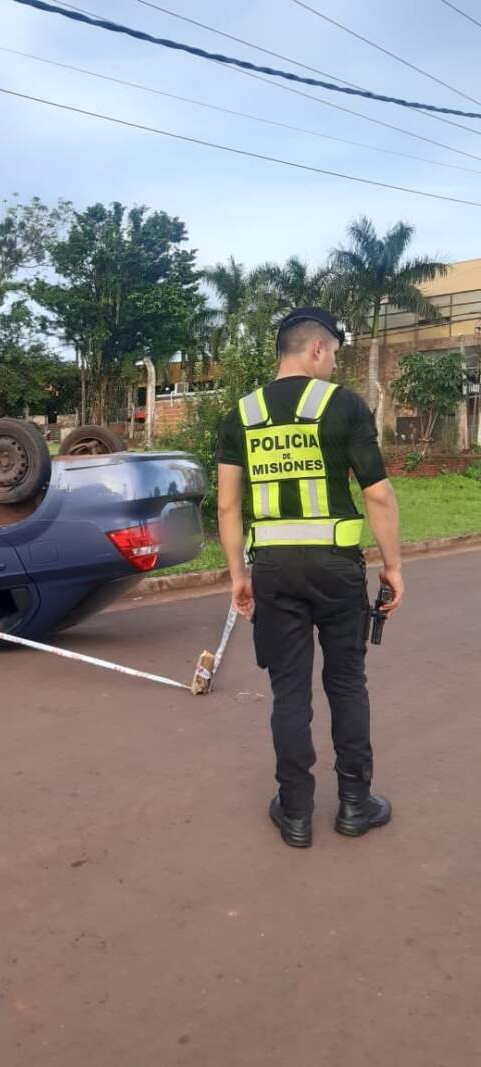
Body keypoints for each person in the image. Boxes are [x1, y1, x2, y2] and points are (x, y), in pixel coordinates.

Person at [216, 307, 404, 848]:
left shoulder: (242, 415)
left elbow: (228, 509)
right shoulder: (343, 405)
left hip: (273, 572)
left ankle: (295, 813)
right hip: (337, 571)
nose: (334, 363)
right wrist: (393, 566)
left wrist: (237, 577)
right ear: (317, 349)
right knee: (346, 683)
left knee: (288, 691)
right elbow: (377, 492)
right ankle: (353, 805)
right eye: (335, 353)